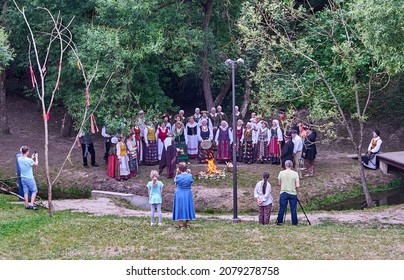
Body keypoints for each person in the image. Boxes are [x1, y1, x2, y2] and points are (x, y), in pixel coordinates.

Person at [172, 162, 196, 229]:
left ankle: (181, 224)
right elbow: (191, 182)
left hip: (179, 193)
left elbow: (175, 182)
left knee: (180, 207)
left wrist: (176, 173)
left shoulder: (178, 177)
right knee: (187, 206)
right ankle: (188, 224)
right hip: (187, 193)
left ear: (179, 169)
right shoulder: (189, 176)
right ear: (186, 168)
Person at [276, 160, 300, 226]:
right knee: (293, 209)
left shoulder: (281, 173)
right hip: (293, 193)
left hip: (284, 192)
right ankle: (294, 223)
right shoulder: (295, 173)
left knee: (282, 208)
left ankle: (279, 222)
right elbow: (298, 185)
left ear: (285, 165)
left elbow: (279, 183)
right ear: (292, 166)